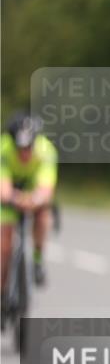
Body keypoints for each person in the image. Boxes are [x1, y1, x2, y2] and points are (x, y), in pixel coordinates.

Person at [1, 112, 58, 289]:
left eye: (28, 147)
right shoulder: (3, 149)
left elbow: (45, 191)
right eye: (20, 148)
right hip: (10, 195)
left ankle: (38, 260)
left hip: (33, 191)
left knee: (44, 215)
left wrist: (34, 200)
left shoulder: (46, 151)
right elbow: (4, 191)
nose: (25, 153)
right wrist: (16, 199)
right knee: (4, 246)